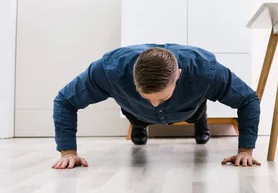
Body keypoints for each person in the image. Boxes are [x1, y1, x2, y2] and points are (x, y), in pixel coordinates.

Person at [51, 44, 261, 169]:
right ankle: (140, 125)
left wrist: (246, 151)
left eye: (161, 98)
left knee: (196, 113)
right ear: (132, 77)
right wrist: (68, 152)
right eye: (147, 97)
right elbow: (65, 100)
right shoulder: (108, 71)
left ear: (178, 75)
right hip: (136, 113)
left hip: (189, 108)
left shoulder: (206, 71)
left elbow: (248, 99)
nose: (154, 103)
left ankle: (200, 120)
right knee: (140, 117)